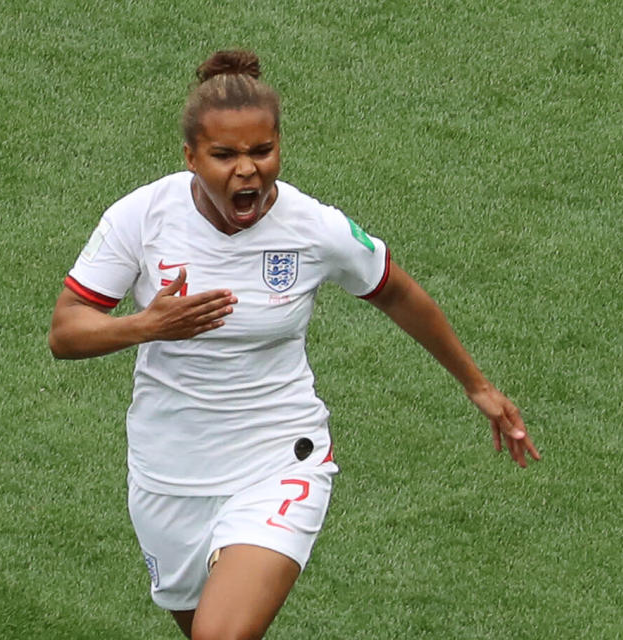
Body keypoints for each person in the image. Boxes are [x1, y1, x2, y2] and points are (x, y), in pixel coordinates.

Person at [48, 48, 540, 640]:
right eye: (224, 155)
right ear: (190, 156)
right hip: (168, 474)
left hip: (279, 459)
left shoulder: (313, 229)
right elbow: (66, 331)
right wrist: (148, 325)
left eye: (262, 151)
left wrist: (477, 385)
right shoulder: (143, 217)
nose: (247, 170)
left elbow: (397, 293)